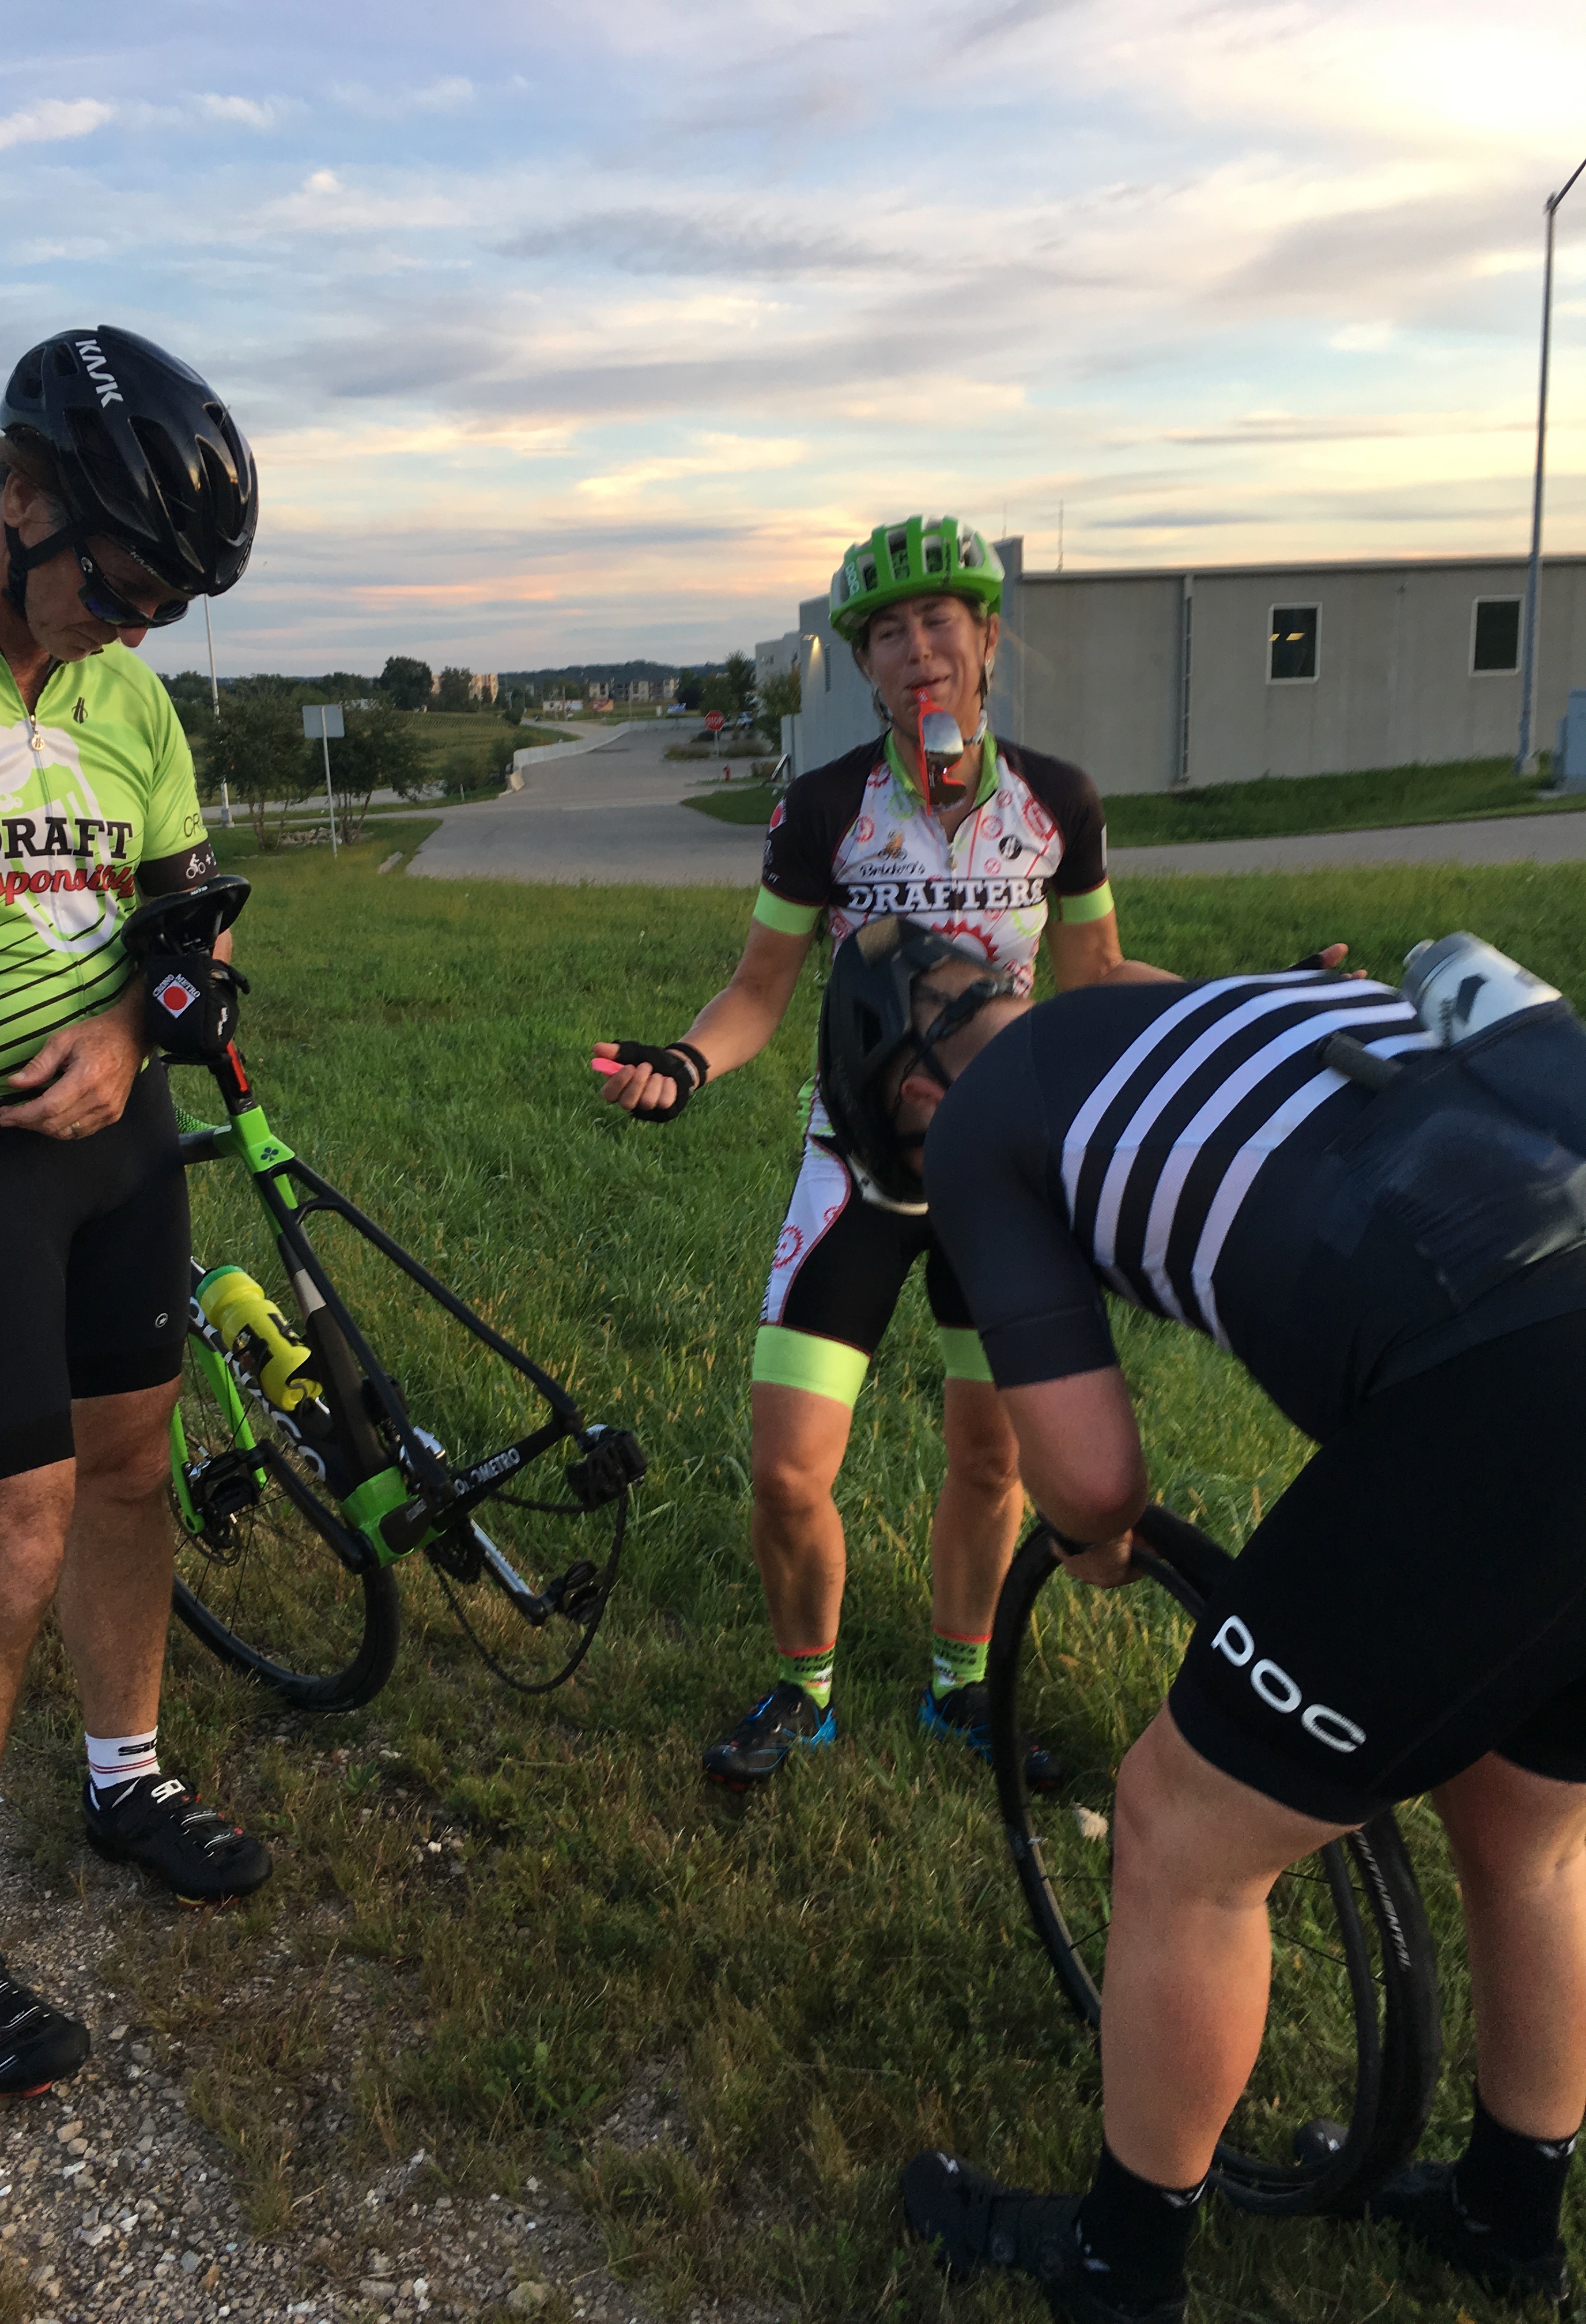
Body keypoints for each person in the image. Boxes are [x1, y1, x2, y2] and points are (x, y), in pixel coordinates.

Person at [813, 918, 1586, 2320]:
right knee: (1526, 1826)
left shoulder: (979, 1120)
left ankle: (1120, 2268)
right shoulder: (1216, 1002)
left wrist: (1091, 1540)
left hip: (1517, 1375)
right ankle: (1509, 2211)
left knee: (1182, 1830)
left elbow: (1094, 1481)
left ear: (912, 1098)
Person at [0, 326, 270, 2099]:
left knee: (127, 1477)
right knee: (3, 1549)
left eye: (170, 607)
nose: (140, 631)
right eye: (126, 588)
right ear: (21, 498)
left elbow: (194, 948)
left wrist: (128, 1032)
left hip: (120, 1145)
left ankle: (124, 1775)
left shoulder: (129, 703)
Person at [595, 515, 1162, 1788]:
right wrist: (686, 1062)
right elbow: (758, 989)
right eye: (888, 634)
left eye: (938, 623)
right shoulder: (825, 807)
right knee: (786, 1468)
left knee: (991, 1456)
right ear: (865, 663)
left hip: (1001, 1177)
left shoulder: (1058, 802)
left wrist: (1250, 1006)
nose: (917, 652)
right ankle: (805, 1691)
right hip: (855, 1165)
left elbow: (1099, 978)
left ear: (987, 639)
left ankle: (961, 1687)